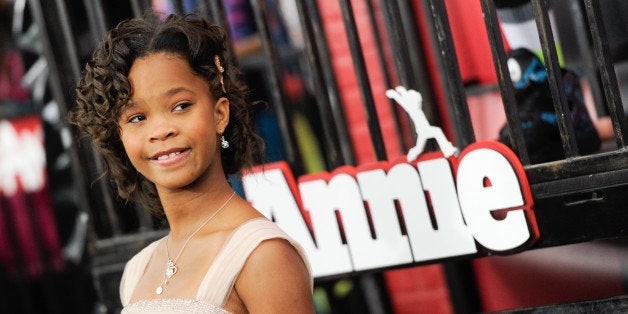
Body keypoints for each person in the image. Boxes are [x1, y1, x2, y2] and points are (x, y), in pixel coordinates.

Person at [69, 14, 314, 313]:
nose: (161, 130)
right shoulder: (137, 270)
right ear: (119, 136)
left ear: (219, 114)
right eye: (137, 118)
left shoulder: (262, 254)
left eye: (181, 106)